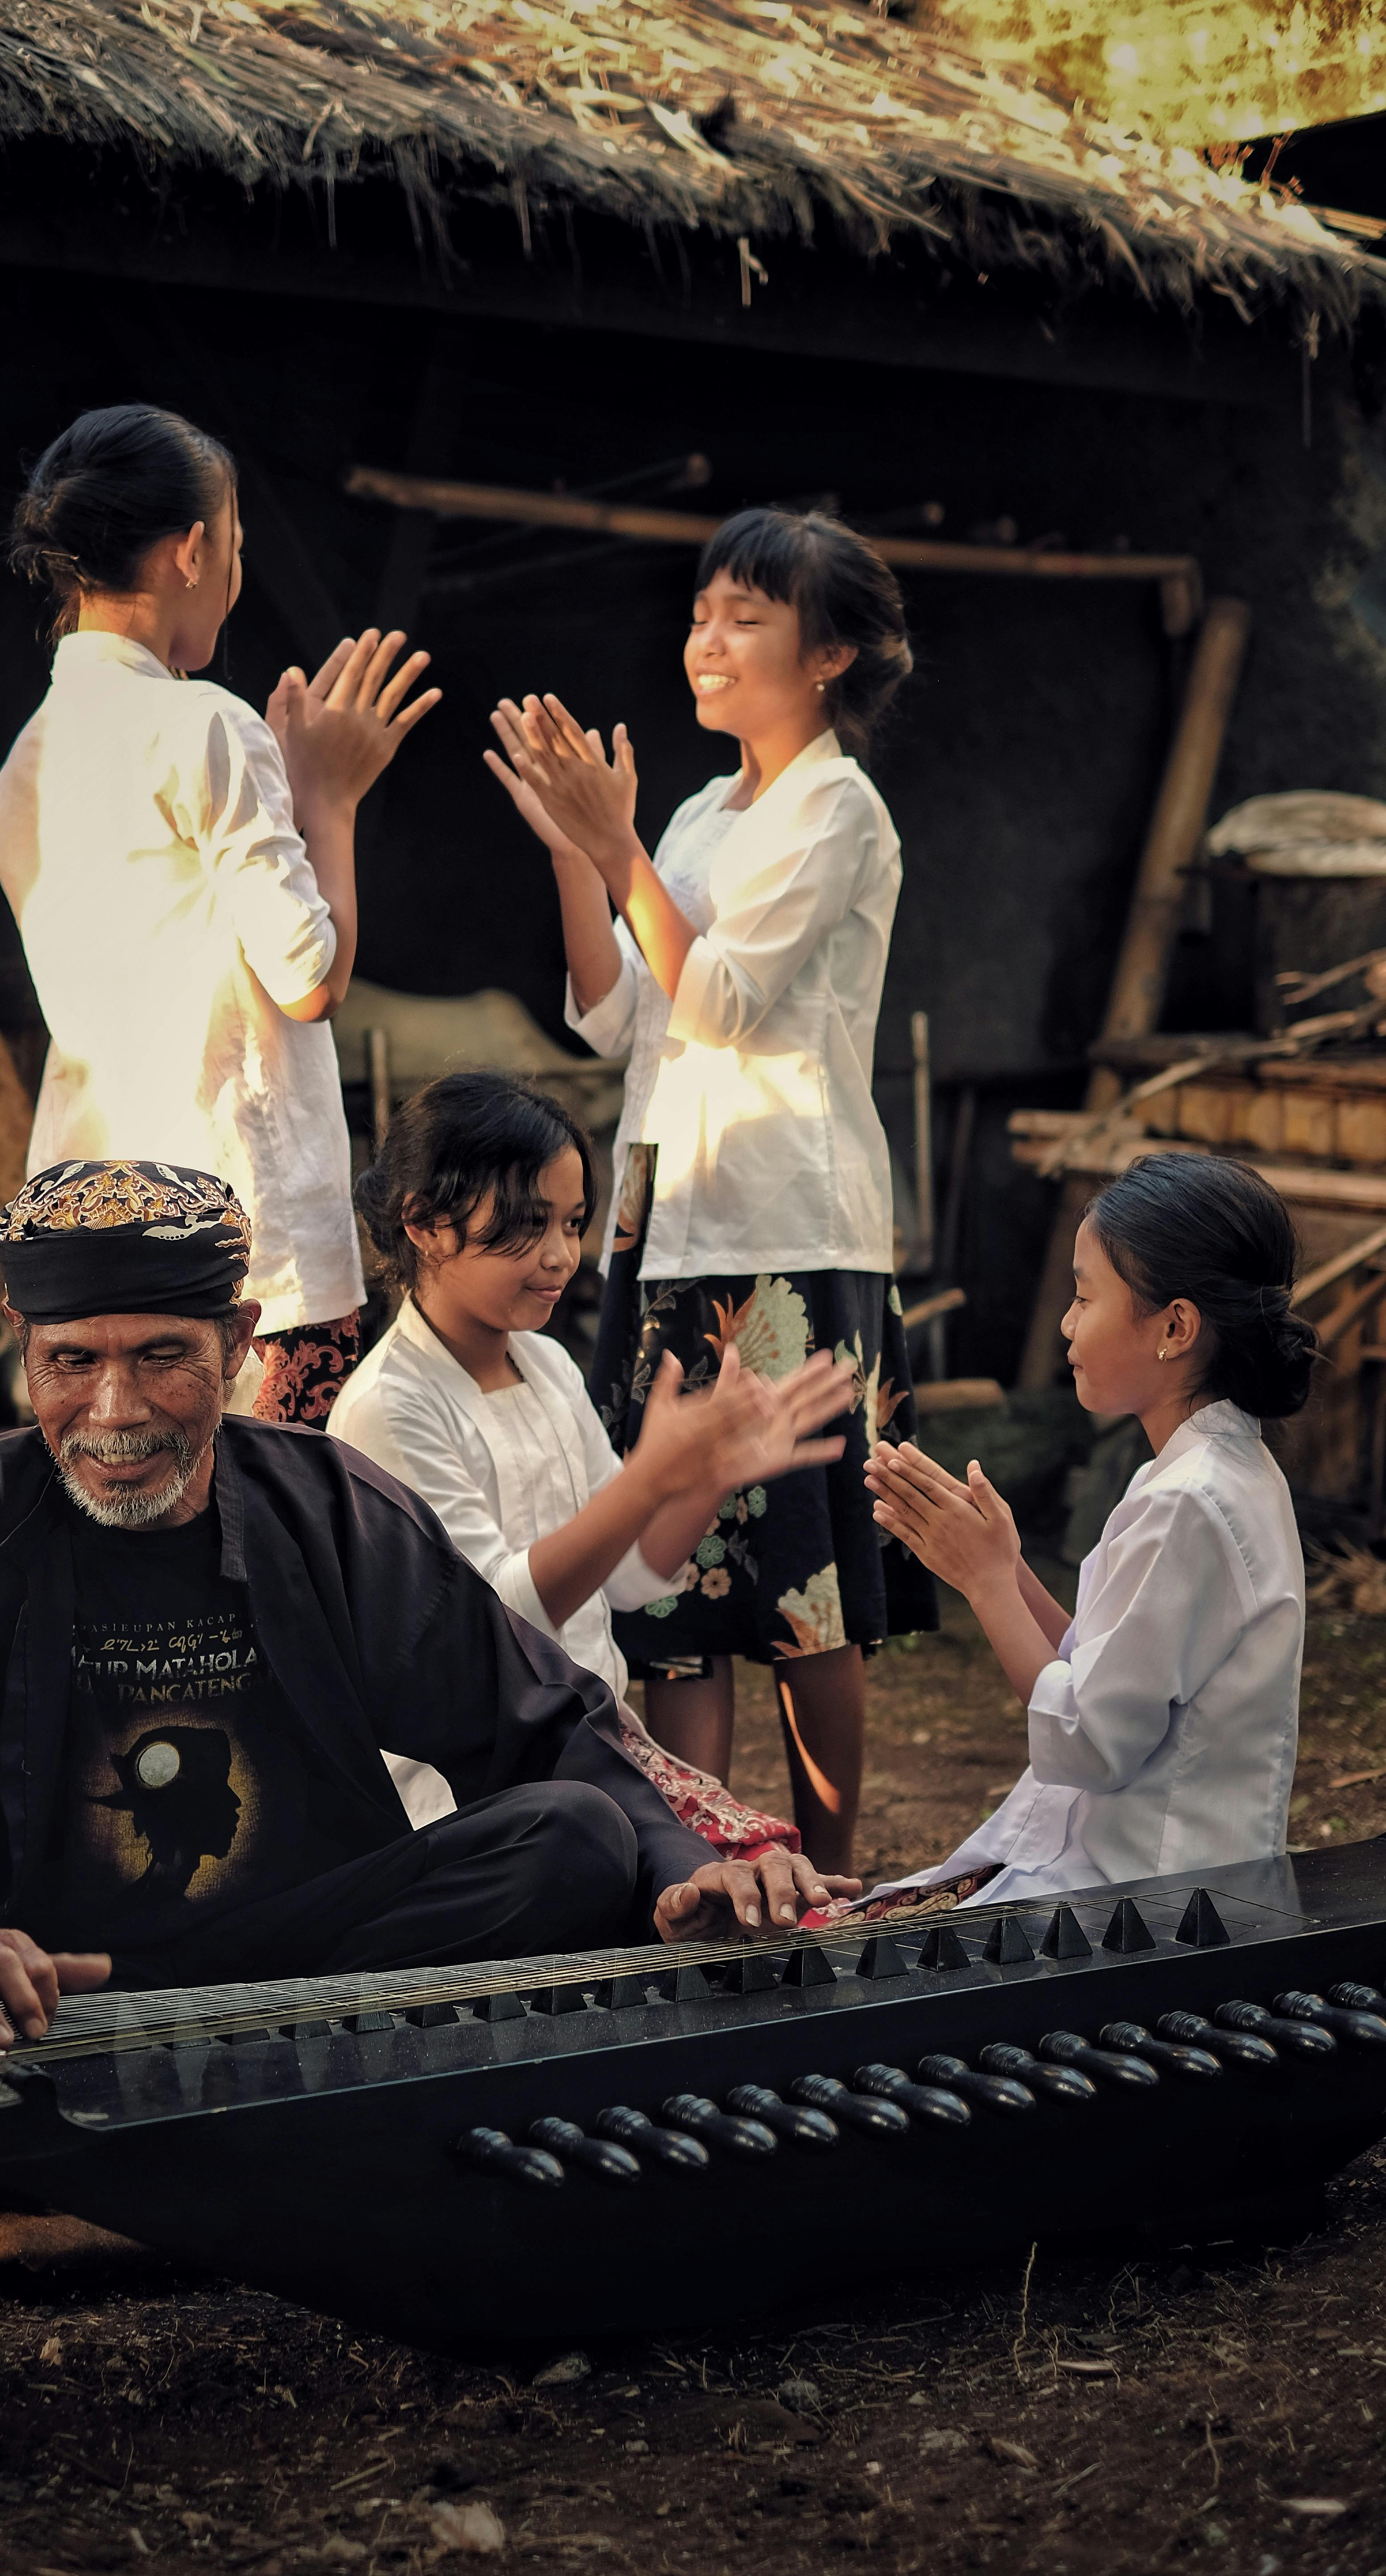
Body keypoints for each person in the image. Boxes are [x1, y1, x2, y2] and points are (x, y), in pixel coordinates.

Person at [0, 1159, 841, 2233]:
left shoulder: (332, 1510)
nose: (115, 1412)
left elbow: (544, 1729)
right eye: (71, 1363)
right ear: (22, 1350)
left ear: (241, 1343)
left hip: (316, 1985)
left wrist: (691, 1865)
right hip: (55, 2010)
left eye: (162, 1357)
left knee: (581, 1841)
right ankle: (306, 2151)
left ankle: (144, 2181)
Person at [485, 504, 936, 1874]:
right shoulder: (693, 810)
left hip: (786, 1231)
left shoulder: (837, 810)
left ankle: (829, 1861)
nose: (708, 640)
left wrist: (617, 847)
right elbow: (617, 1016)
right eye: (699, 612)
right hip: (665, 1224)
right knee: (670, 1586)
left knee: (801, 1586)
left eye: (746, 616)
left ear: (830, 654)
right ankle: (704, 1859)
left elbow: (725, 999)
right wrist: (580, 848)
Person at [0, 402, 439, 1425]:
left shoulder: (29, 758)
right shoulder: (202, 726)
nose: (233, 571)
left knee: (129, 1544)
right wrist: (328, 797)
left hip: (91, 1218)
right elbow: (309, 978)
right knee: (268, 1549)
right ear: (192, 551)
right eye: (234, 544)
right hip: (236, 1236)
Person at [329, 1071, 861, 1869]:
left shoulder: (545, 1364)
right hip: (480, 1796)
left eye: (574, 1222)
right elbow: (500, 1622)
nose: (560, 1255)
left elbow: (631, 1580)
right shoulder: (388, 1406)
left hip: (596, 1753)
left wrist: (707, 1479)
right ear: (427, 1225)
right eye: (527, 1224)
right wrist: (652, 1476)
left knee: (771, 1890)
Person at [861, 1154, 1315, 1911]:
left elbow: (1088, 1740)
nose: (1068, 1322)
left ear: (1175, 1327)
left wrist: (986, 1586)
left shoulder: (1190, 1502)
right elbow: (1103, 1668)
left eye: (1083, 1297)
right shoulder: (1209, 1472)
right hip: (1150, 1881)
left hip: (1150, 1910)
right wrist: (1006, 1566)